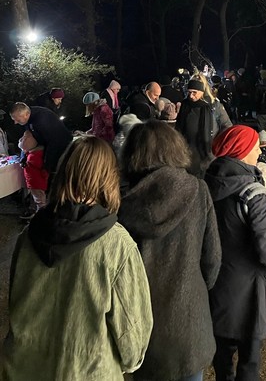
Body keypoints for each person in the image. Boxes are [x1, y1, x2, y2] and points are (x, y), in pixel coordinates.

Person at [1, 136, 153, 380]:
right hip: (88, 372)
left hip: (22, 368)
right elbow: (133, 335)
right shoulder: (118, 245)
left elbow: (16, 300)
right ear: (109, 177)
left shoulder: (28, 235)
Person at [118, 120, 221, 381]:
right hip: (189, 320)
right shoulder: (198, 190)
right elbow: (212, 259)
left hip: (140, 322)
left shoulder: (121, 201)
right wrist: (197, 291)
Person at [205, 125, 266, 381]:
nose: (258, 151)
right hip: (250, 295)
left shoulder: (207, 183)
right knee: (249, 363)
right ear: (242, 151)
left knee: (222, 360)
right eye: (255, 146)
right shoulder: (252, 194)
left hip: (217, 286)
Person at [176, 77, 232, 177]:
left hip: (209, 153)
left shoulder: (214, 106)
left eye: (194, 92)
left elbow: (227, 126)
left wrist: (218, 145)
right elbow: (179, 126)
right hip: (188, 151)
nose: (191, 96)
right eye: (189, 92)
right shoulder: (185, 105)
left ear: (202, 91)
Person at [10, 102, 72, 175]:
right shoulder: (27, 117)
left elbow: (54, 142)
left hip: (64, 147)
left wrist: (47, 165)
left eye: (18, 120)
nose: (15, 122)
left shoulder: (42, 120)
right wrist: (23, 156)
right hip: (50, 145)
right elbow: (28, 136)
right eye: (14, 119)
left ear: (26, 114)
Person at [18, 130, 49, 216]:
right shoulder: (38, 153)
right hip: (38, 183)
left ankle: (41, 215)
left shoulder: (33, 157)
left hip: (36, 183)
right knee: (40, 198)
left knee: (39, 200)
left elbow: (42, 169)